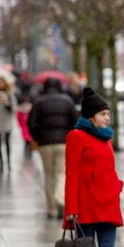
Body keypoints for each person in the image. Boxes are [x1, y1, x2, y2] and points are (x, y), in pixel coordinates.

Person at [58, 87, 124, 247]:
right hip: (86, 205)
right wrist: (71, 208)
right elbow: (72, 174)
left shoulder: (106, 137)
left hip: (107, 203)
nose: (107, 117)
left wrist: (117, 186)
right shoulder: (76, 136)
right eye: (103, 114)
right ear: (90, 117)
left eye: (108, 113)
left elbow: (108, 168)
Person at [28, 77, 79, 219]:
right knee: (60, 174)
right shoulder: (67, 100)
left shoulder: (39, 102)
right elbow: (75, 121)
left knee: (48, 175)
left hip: (44, 144)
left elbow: (31, 122)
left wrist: (38, 138)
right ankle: (60, 198)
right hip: (63, 142)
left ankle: (51, 208)